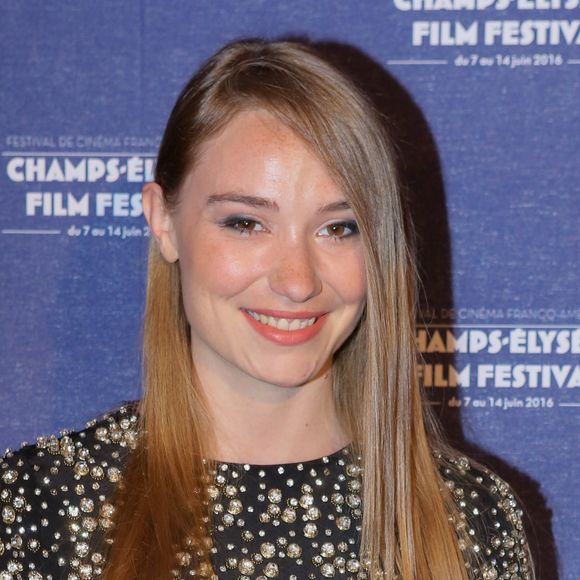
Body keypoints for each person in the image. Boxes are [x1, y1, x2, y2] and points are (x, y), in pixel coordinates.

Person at [0, 39, 532, 580]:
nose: (297, 282)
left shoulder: (469, 521)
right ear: (163, 221)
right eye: (246, 223)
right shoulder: (37, 512)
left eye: (338, 227)